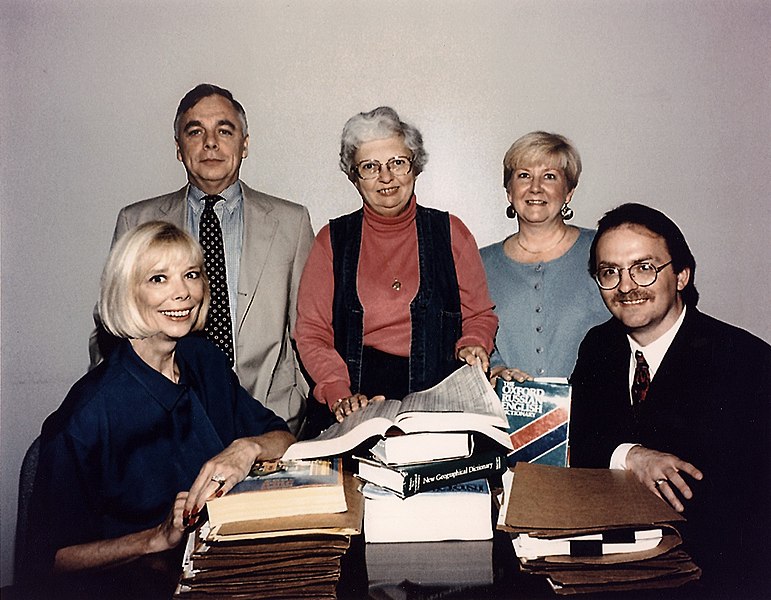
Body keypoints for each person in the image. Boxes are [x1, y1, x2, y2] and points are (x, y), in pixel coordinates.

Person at [25, 222, 295, 599]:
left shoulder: (205, 361)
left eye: (191, 275)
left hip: (224, 573)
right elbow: (45, 562)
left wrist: (245, 449)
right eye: (158, 279)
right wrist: (155, 538)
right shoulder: (88, 414)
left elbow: (283, 438)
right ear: (127, 293)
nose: (182, 292)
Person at [569, 203, 771, 595]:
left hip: (715, 571)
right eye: (610, 272)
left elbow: (731, 491)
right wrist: (632, 455)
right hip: (609, 565)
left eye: (644, 268)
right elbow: (578, 439)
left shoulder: (744, 359)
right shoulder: (598, 346)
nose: (626, 287)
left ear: (681, 275)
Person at [91, 83, 314, 435]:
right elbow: (112, 325)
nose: (210, 142)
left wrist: (299, 398)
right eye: (195, 131)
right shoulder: (137, 221)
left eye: (225, 130)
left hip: (271, 423)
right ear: (179, 147)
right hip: (166, 429)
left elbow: (308, 329)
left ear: (245, 143)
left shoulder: (292, 222)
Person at [295, 106, 498, 424]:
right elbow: (312, 332)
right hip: (355, 400)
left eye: (397, 163)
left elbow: (479, 316)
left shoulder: (452, 233)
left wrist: (473, 344)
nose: (386, 177)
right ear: (354, 177)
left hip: (438, 398)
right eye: (370, 167)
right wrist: (337, 391)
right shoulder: (330, 241)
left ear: (415, 167)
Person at [480, 131, 607, 381]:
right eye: (524, 176)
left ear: (568, 192)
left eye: (549, 176)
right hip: (509, 416)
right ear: (509, 191)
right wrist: (496, 369)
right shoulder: (479, 264)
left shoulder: (603, 249)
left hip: (596, 412)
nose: (535, 187)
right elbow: (471, 336)